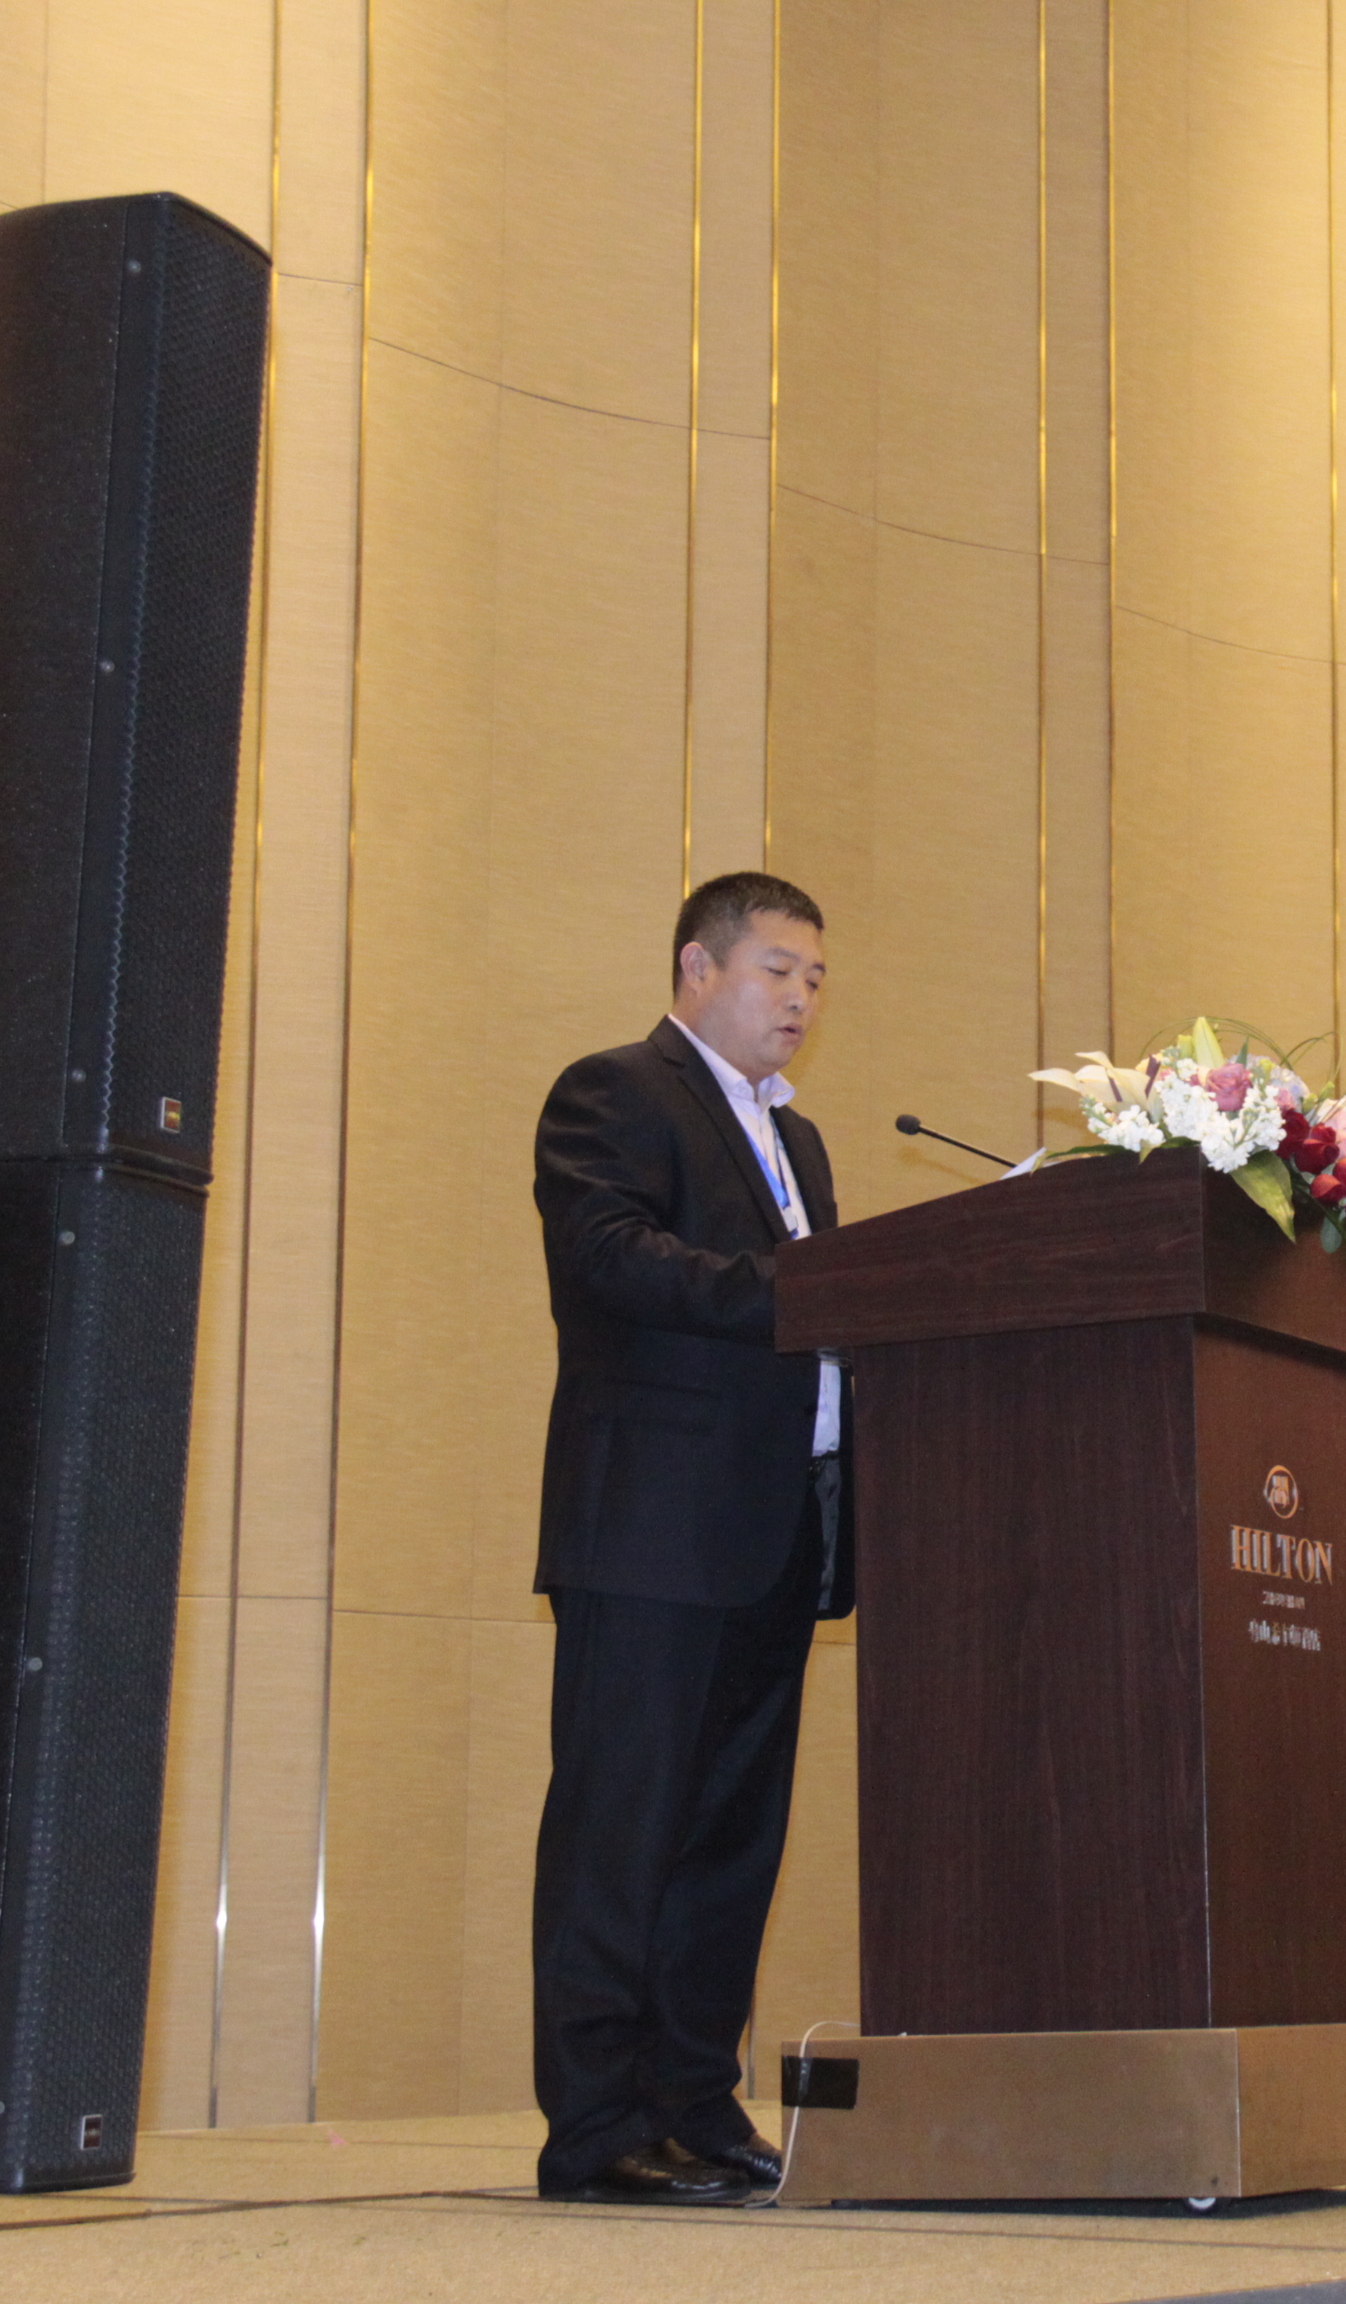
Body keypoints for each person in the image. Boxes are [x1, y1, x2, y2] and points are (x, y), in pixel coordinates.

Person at [526, 870, 851, 2206]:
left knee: (729, 1845)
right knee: (622, 1832)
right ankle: (596, 2127)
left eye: (816, 978)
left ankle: (694, 2102)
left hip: (777, 1533)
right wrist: (814, 1289)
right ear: (697, 968)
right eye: (777, 969)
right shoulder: (614, 1093)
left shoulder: (801, 1143)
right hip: (651, 1533)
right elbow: (610, 1260)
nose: (800, 998)